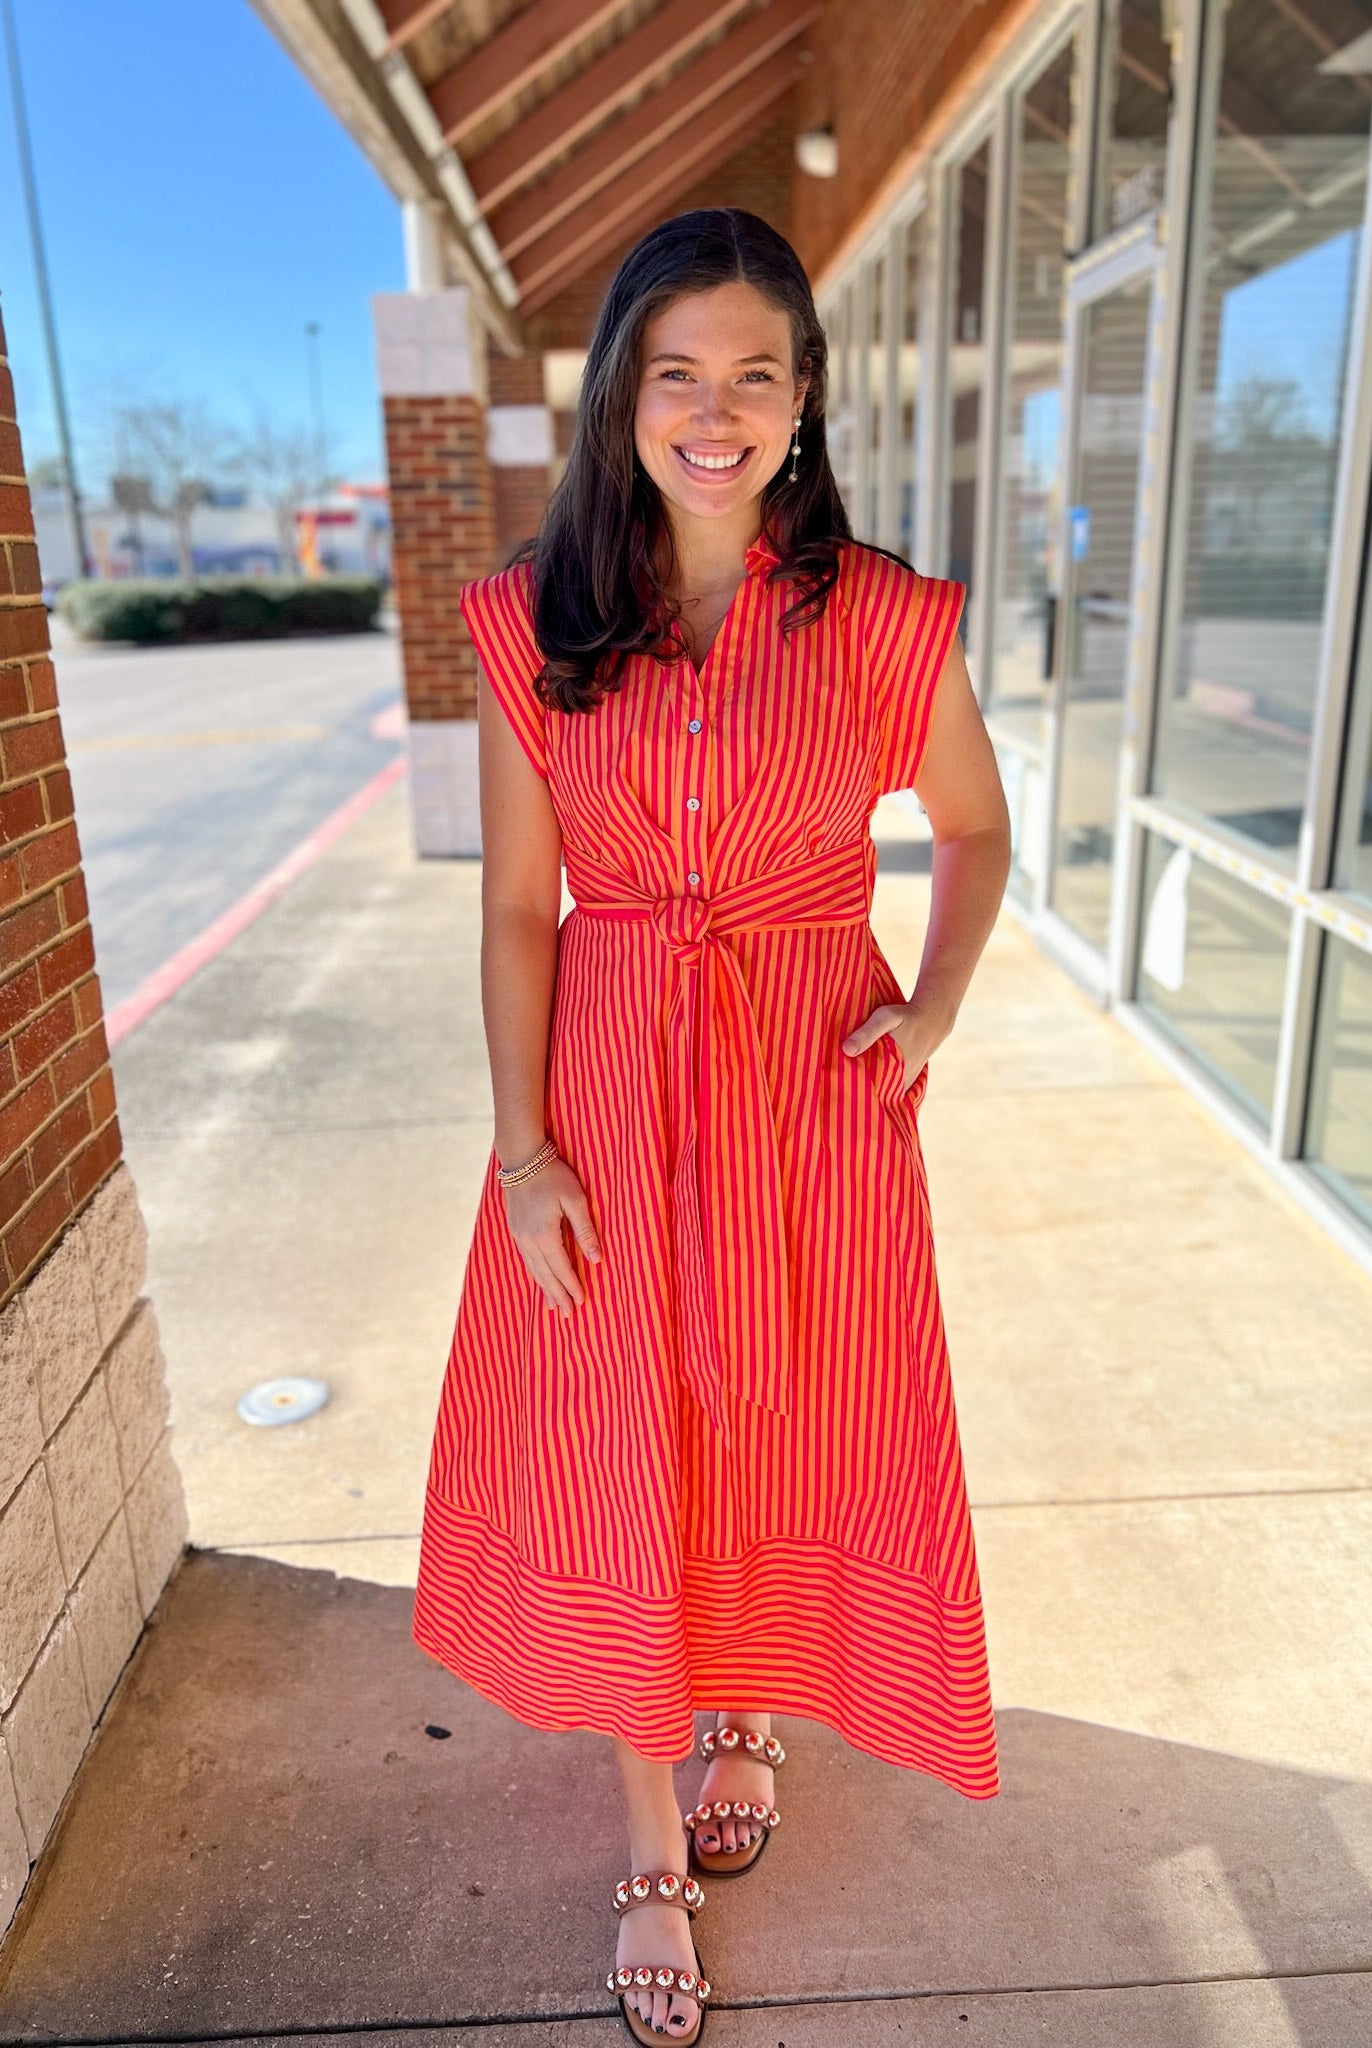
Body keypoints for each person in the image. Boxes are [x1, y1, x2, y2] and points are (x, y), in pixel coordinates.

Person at [412, 207, 1011, 2044]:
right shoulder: (534, 625)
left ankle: (746, 1707)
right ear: (621, 397)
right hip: (604, 1090)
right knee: (616, 1445)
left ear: (805, 396)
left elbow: (975, 835)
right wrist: (523, 1152)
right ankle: (647, 1843)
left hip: (810, 1092)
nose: (716, 407)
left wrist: (930, 1005)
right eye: (677, 371)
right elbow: (521, 907)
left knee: (771, 1419)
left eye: (757, 371)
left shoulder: (884, 616)